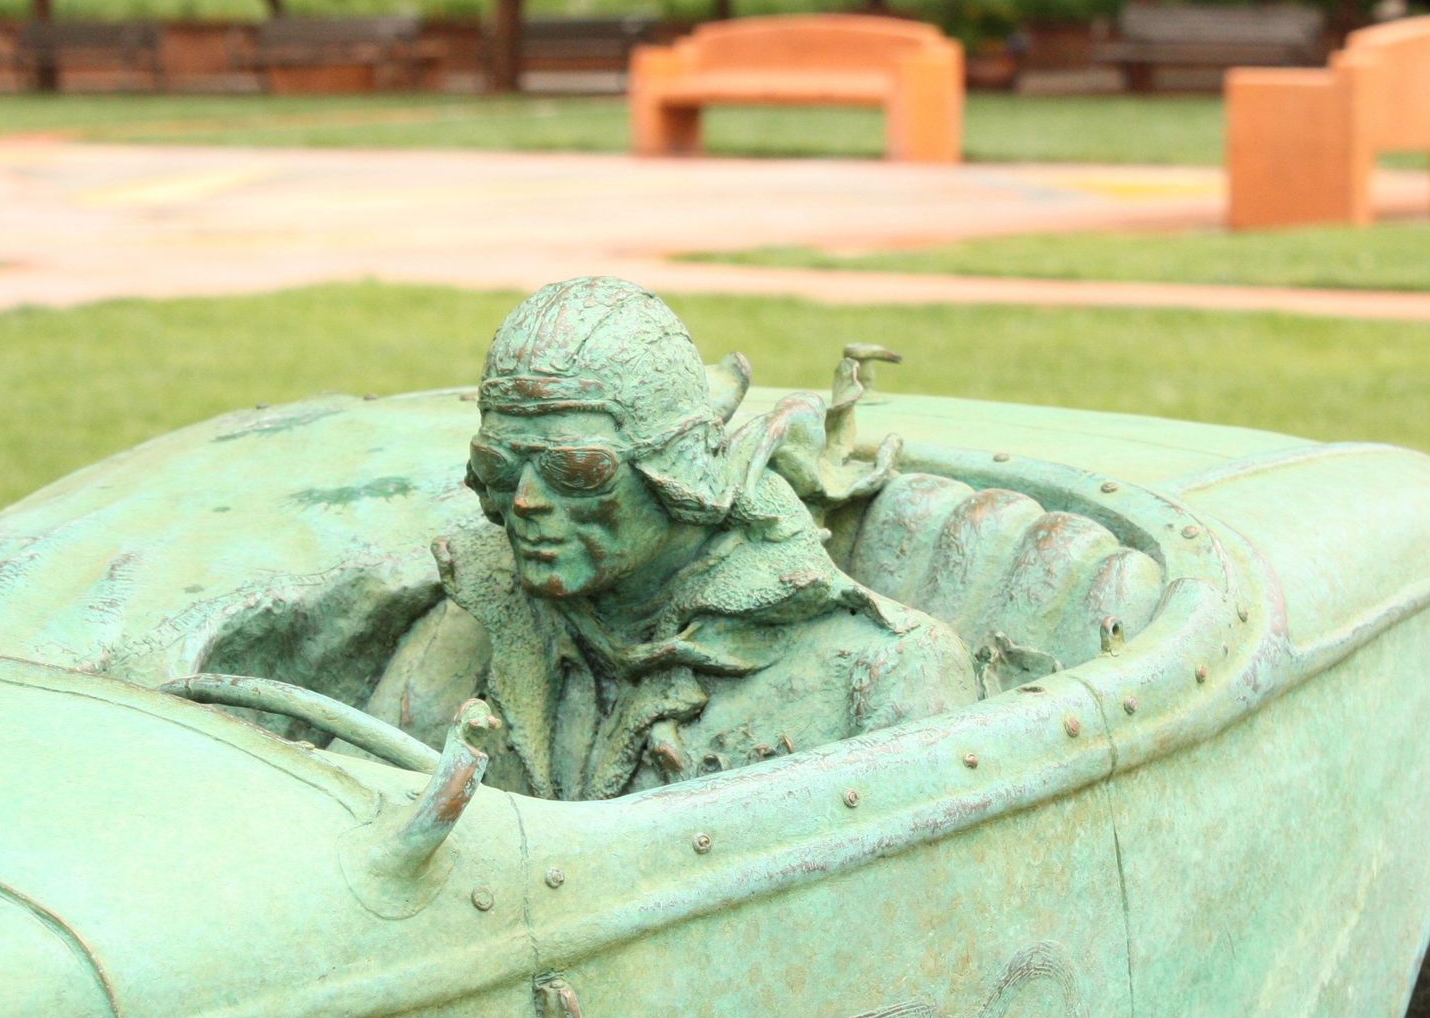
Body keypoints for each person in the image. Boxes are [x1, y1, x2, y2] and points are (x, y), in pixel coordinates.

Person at [366, 276, 976, 800]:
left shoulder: (886, 671)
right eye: (499, 466)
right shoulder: (470, 619)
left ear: (678, 472)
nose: (524, 501)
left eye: (576, 470)